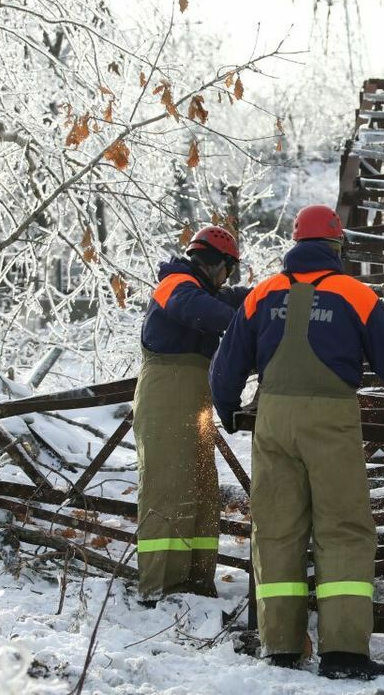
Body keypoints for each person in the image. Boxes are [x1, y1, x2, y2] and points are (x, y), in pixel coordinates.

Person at [210, 204, 384, 681]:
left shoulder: (263, 293)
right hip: (330, 420)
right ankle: (343, 650)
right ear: (336, 246)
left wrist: (228, 411)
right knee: (342, 528)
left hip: (273, 420)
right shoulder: (355, 294)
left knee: (278, 528)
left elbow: (227, 362)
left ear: (297, 246)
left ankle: (280, 646)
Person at [133, 225, 249, 603]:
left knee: (200, 489)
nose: (227, 279)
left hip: (192, 399)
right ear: (219, 265)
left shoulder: (201, 290)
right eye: (228, 270)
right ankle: (160, 586)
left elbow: (240, 301)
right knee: (168, 488)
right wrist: (253, 324)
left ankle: (195, 581)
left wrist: (282, 293)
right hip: (166, 395)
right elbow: (207, 312)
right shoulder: (175, 285)